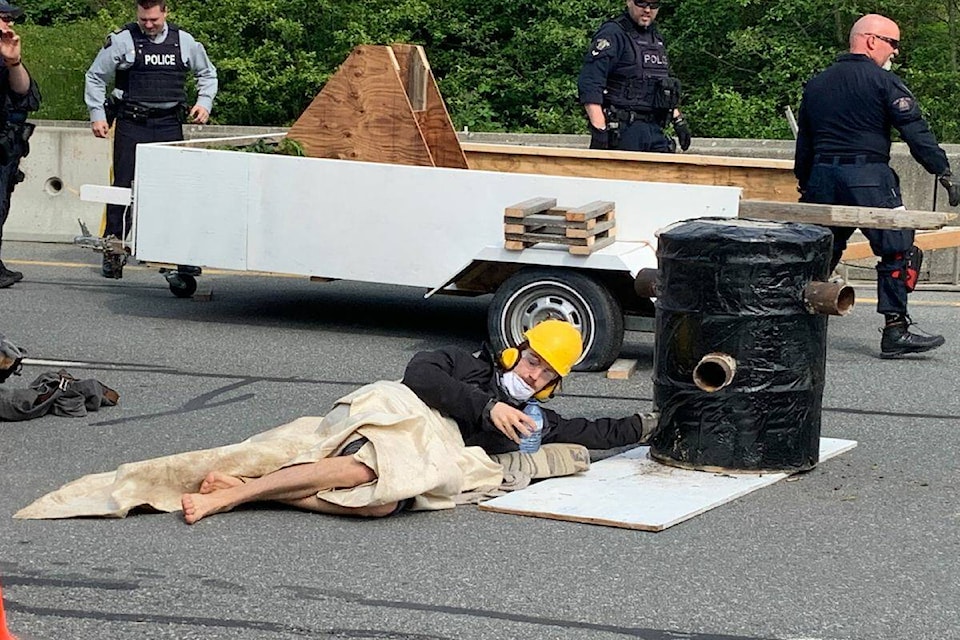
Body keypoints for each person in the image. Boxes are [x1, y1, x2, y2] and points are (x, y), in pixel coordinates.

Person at [176, 320, 656, 524]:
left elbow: (595, 432)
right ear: (519, 350)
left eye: (547, 373)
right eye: (533, 361)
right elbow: (418, 374)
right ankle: (234, 496)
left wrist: (648, 424)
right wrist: (487, 408)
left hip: (424, 456)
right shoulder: (470, 366)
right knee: (365, 472)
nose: (534, 375)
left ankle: (249, 489)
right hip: (397, 421)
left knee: (383, 505)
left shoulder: (535, 420)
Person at [794, 13, 960, 359]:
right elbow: (915, 131)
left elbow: (805, 143)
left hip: (822, 178)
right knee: (900, 249)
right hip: (868, 179)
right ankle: (896, 330)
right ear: (871, 40)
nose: (895, 52)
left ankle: (795, 325)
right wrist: (944, 172)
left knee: (821, 252)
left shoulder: (817, 83)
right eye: (893, 43)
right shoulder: (884, 83)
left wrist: (805, 182)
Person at [84, 0, 217, 278]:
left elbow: (208, 73)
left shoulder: (184, 41)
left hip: (169, 123)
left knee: (175, 189)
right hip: (133, 123)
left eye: (154, 19)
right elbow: (95, 76)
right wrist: (98, 114)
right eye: (143, 19)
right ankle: (114, 248)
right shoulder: (123, 41)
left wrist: (204, 102)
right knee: (123, 188)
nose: (148, 24)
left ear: (165, 12)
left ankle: (177, 251)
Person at [577, 0, 691, 154]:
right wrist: (600, 130)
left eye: (654, 5)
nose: (647, 9)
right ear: (629, 2)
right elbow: (590, 83)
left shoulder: (655, 38)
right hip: (624, 130)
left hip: (655, 129)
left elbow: (661, 84)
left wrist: (678, 120)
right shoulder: (613, 33)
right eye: (642, 3)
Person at [0, 0, 40, 289]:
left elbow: (25, 93)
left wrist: (13, 61)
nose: (9, 24)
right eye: (3, 18)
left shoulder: (5, 54)